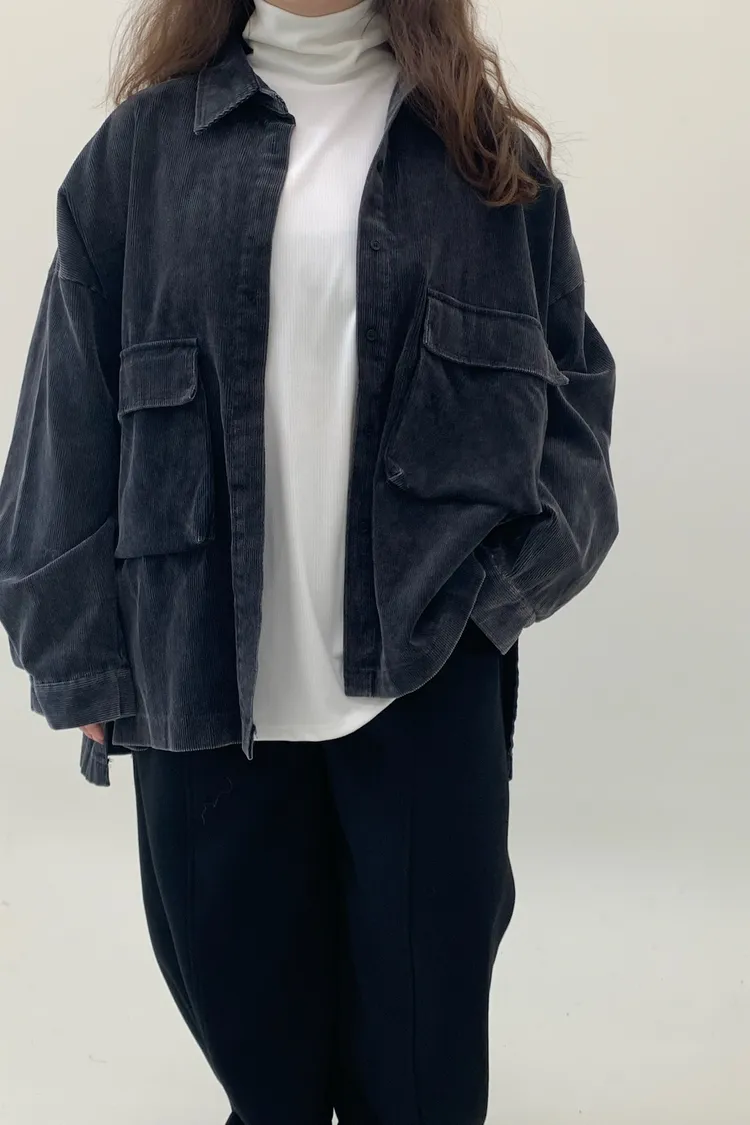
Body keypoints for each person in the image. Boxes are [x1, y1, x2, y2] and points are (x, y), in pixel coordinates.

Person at [0, 0, 618, 1121]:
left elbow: (575, 428)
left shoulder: (486, 161)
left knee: (425, 1086)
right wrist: (81, 660)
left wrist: (486, 610)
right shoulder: (138, 157)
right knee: (265, 1080)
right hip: (195, 687)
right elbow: (65, 419)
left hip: (424, 684)